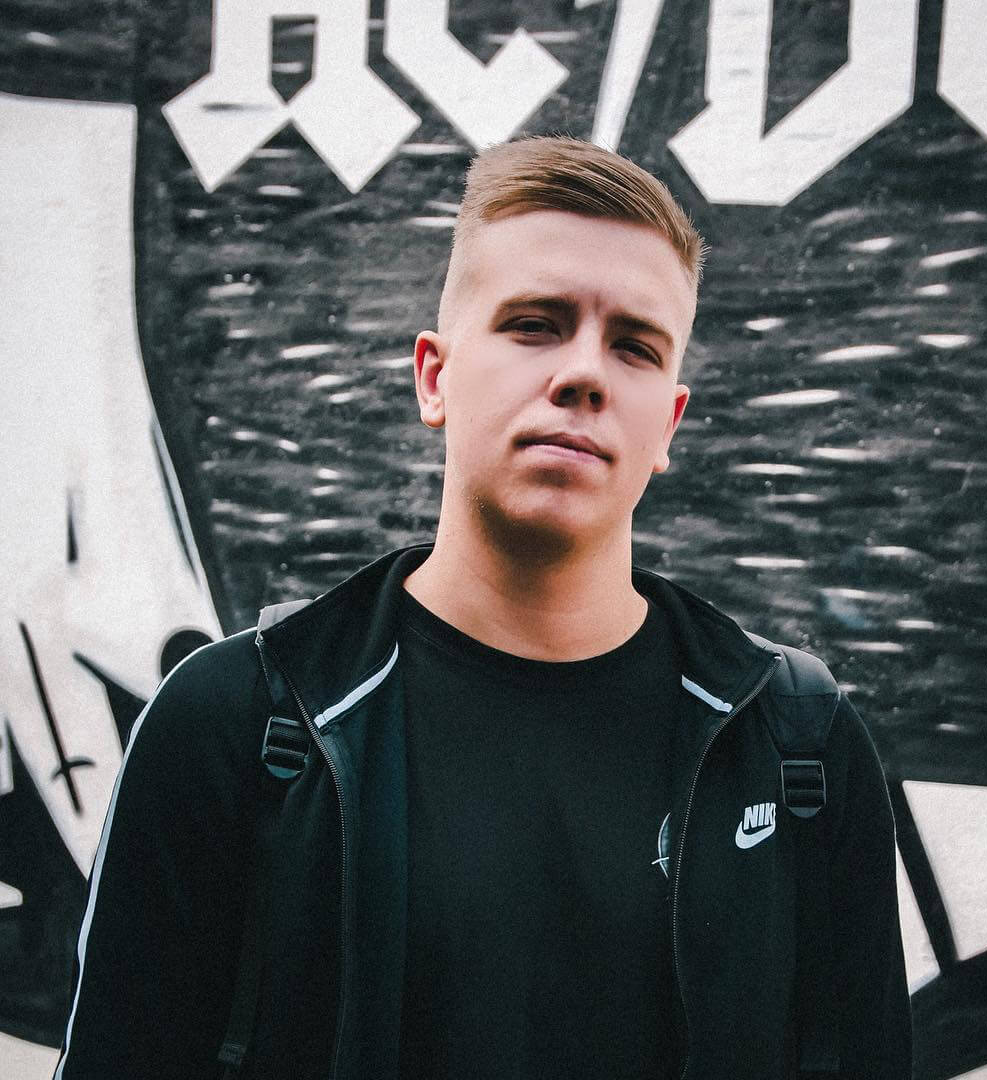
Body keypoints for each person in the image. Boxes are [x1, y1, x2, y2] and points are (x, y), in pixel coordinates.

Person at [55, 136, 911, 1079]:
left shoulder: (796, 747)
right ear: (434, 377)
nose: (584, 373)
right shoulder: (236, 721)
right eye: (535, 324)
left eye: (634, 346)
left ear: (668, 424)